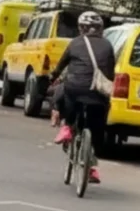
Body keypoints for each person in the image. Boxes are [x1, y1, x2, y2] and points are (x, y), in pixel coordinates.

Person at [48, 10, 116, 184]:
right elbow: (110, 72)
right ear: (100, 28)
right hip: (98, 93)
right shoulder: (108, 45)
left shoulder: (75, 43)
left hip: (75, 90)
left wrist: (52, 78)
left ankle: (68, 127)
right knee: (96, 128)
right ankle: (92, 167)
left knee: (66, 91)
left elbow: (61, 66)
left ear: (81, 28)